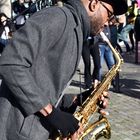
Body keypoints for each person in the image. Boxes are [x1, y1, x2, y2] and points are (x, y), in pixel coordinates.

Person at [0, 0, 128, 140]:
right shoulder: (58, 17)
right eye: (109, 14)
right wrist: (51, 113)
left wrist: (78, 100)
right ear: (94, 3)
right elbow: (10, 62)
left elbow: (44, 87)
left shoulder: (75, 30)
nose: (108, 22)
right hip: (13, 132)